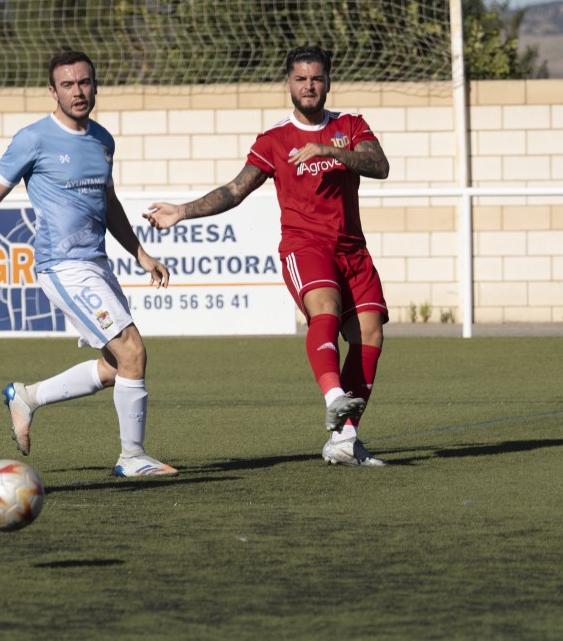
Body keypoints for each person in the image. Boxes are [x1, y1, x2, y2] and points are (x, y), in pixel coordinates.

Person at [0, 50, 178, 478]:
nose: (77, 92)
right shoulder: (33, 139)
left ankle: (27, 397)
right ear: (53, 91)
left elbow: (109, 202)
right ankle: (132, 457)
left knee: (117, 365)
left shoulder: (103, 140)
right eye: (68, 85)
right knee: (133, 350)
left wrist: (139, 253)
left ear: (95, 86)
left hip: (96, 264)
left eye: (84, 83)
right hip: (62, 266)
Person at [146, 45, 391, 467]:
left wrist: (330, 151)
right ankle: (334, 397)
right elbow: (235, 190)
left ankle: (345, 439)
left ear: (328, 82)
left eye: (316, 78)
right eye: (300, 79)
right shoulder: (274, 139)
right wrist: (182, 212)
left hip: (353, 249)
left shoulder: (350, 125)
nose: (309, 86)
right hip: (305, 246)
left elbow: (379, 164)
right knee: (325, 311)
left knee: (369, 336)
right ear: (288, 84)